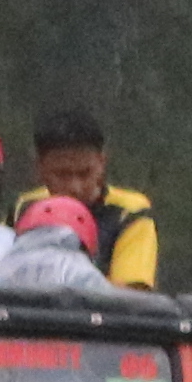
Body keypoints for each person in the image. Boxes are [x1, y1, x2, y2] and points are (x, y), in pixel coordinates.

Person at [26, 111, 158, 287]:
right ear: (39, 167)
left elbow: (131, 294)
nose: (75, 186)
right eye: (62, 174)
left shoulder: (129, 213)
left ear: (102, 162)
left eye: (85, 173)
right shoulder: (26, 207)